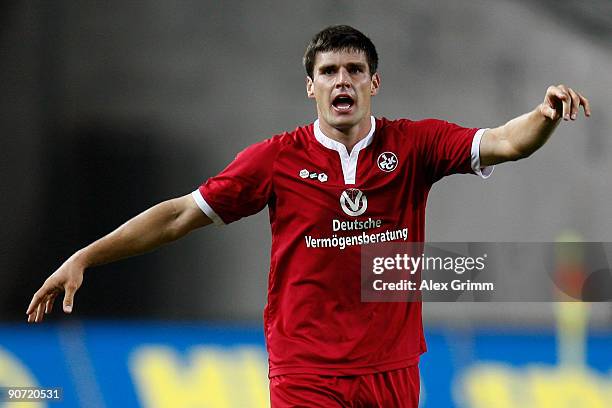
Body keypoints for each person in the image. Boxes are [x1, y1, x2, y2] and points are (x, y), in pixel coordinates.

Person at [27, 25, 590, 407]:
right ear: (311, 86)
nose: (341, 80)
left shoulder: (414, 145)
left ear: (374, 83)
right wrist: (87, 255)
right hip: (306, 368)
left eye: (353, 70)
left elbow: (503, 143)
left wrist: (542, 115)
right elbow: (179, 216)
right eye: (328, 71)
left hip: (390, 367)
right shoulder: (275, 160)